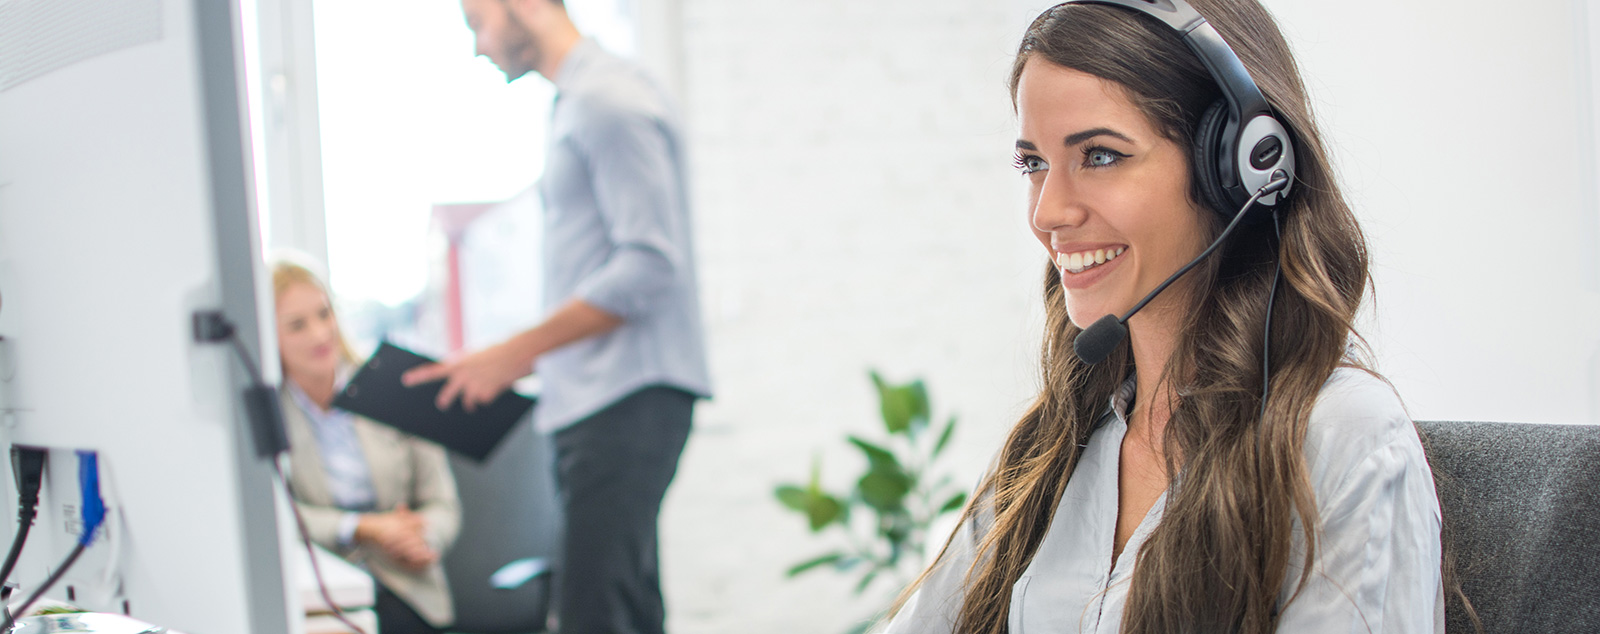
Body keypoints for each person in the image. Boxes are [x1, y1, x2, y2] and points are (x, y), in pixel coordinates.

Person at [883, 1, 1448, 633]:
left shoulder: (1340, 443)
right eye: (1034, 164)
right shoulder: (1053, 447)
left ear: (1239, 166)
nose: (1048, 212)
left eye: (1099, 155)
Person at [403, 1, 712, 632]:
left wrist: (511, 355)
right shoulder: (582, 103)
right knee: (622, 609)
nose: (477, 47)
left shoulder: (608, 101)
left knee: (592, 615)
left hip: (624, 398)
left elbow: (650, 264)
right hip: (601, 401)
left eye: (476, 23)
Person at [273, 258, 462, 634]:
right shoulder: (270, 416)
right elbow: (279, 516)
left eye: (324, 315)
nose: (319, 334)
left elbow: (443, 503)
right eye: (297, 325)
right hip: (321, 596)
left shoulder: (393, 389)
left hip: (409, 591)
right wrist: (363, 527)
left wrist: (422, 538)